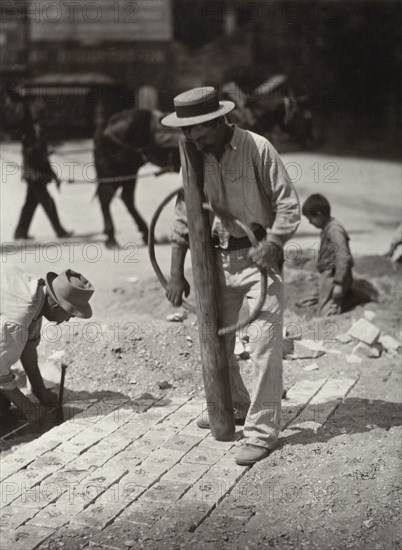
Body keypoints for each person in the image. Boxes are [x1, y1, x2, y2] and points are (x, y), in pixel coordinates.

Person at [161, 87, 300, 466]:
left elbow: (288, 204)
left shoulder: (257, 148)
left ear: (218, 120)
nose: (190, 136)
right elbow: (182, 214)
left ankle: (261, 432)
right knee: (215, 344)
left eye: (197, 129)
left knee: (264, 346)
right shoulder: (191, 157)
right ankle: (235, 405)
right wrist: (176, 271)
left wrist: (273, 242)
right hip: (215, 263)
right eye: (186, 131)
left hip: (260, 263)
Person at [0, 265, 94, 422]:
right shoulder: (19, 319)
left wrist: (40, 390)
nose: (68, 319)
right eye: (70, 314)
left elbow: (28, 349)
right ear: (56, 306)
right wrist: (29, 409)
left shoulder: (38, 295)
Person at [14, 118, 73, 240]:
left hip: (37, 178)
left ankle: (20, 232)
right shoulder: (28, 139)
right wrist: (45, 151)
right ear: (34, 126)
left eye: (42, 126)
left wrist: (55, 177)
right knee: (48, 203)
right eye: (39, 126)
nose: (41, 128)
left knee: (30, 205)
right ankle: (60, 231)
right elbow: (31, 155)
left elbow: (45, 163)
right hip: (34, 177)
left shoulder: (41, 140)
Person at [300, 193, 354, 316]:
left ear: (319, 214)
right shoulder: (328, 227)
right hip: (328, 275)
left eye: (310, 219)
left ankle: (349, 298)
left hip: (335, 276)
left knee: (325, 313)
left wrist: (339, 284)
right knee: (313, 300)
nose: (309, 223)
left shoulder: (334, 230)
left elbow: (343, 256)